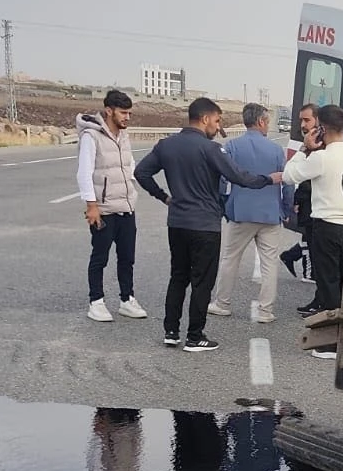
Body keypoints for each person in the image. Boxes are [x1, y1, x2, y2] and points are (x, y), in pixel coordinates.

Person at [133, 97, 282, 353]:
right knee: (202, 280)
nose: (218, 125)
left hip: (177, 222)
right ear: (204, 119)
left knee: (178, 276)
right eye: (216, 120)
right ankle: (195, 336)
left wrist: (164, 197)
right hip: (205, 225)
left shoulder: (166, 145)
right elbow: (238, 177)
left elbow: (141, 173)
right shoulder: (211, 150)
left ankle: (171, 331)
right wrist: (267, 180)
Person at [281, 103, 343, 358]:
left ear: (322, 128)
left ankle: (330, 344)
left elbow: (288, 175)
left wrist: (305, 147)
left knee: (327, 285)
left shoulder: (320, 157)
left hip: (326, 225)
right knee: (341, 283)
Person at [207, 103, 291, 324]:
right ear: (261, 121)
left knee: (230, 259)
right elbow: (287, 181)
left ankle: (222, 303)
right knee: (269, 263)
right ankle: (265, 311)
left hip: (241, 212)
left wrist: (225, 205)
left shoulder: (233, 146)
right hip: (270, 213)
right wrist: (286, 208)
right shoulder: (275, 150)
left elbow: (222, 180)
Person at [76, 90, 147, 322]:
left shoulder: (124, 137)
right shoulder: (91, 136)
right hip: (104, 209)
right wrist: (92, 206)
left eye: (130, 113)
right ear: (109, 111)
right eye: (123, 113)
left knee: (127, 257)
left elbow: (129, 167)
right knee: (100, 257)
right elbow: (84, 173)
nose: (127, 117)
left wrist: (134, 188)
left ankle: (127, 299)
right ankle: (96, 302)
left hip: (126, 207)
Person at [280, 103, 323, 307]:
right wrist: (297, 200)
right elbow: (299, 176)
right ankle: (308, 272)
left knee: (315, 240)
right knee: (310, 237)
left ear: (318, 120)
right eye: (301, 120)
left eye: (307, 120)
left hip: (320, 203)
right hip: (309, 201)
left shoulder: (323, 144)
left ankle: (290, 256)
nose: (303, 124)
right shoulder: (308, 144)